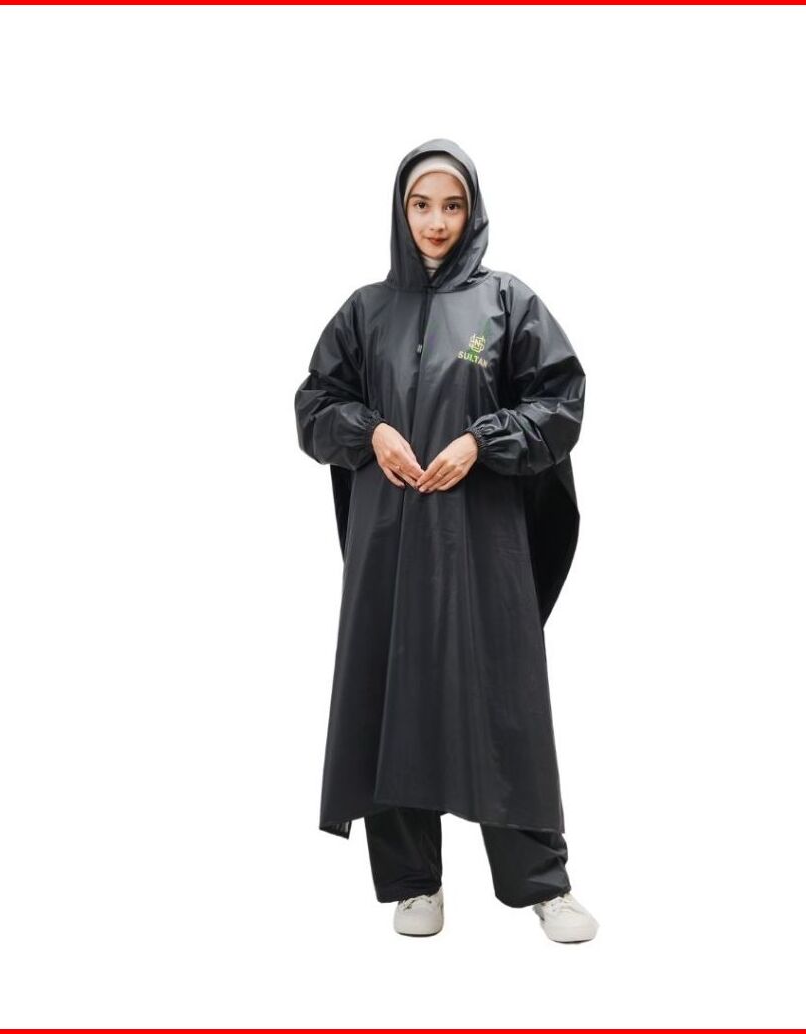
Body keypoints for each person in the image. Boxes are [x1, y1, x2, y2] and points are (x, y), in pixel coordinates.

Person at [294, 138, 598, 943]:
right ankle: (413, 883)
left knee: (503, 699)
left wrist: (481, 442)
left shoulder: (507, 302)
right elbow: (314, 406)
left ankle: (542, 884)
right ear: (402, 211)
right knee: (392, 692)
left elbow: (561, 401)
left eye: (452, 205)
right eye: (421, 205)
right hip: (390, 541)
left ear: (473, 211)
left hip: (482, 541)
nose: (436, 222)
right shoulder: (365, 311)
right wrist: (370, 430)